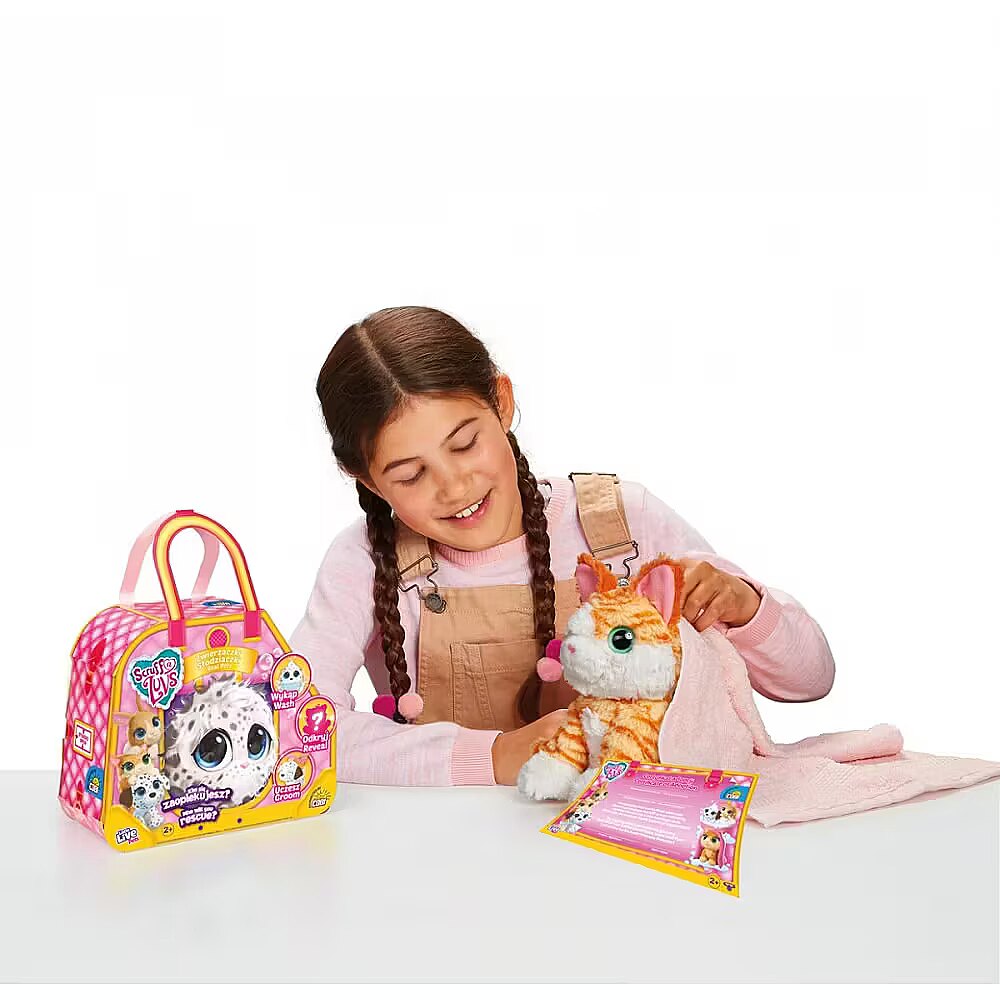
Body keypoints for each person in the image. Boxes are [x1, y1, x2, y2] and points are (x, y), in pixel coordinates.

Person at [290, 307, 835, 786]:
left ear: (502, 403)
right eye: (411, 475)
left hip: (628, 842)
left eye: (465, 444)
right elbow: (299, 727)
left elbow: (810, 680)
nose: (454, 487)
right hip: (454, 855)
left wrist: (744, 606)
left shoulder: (618, 525)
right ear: (365, 478)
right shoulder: (366, 561)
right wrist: (493, 757)